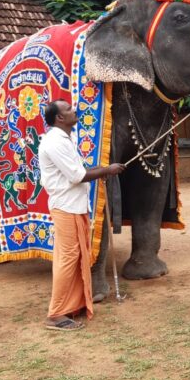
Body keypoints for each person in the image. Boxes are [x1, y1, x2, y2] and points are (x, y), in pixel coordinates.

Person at [38, 99, 125, 331]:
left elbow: (78, 170)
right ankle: (56, 314)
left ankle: (71, 305)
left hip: (73, 205)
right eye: (68, 109)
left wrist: (102, 170)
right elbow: (76, 176)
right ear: (59, 118)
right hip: (65, 206)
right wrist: (106, 170)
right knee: (68, 258)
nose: (74, 111)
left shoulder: (64, 139)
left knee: (76, 257)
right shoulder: (55, 142)